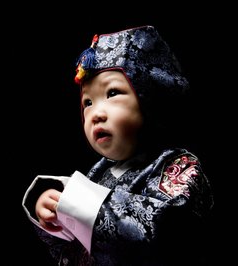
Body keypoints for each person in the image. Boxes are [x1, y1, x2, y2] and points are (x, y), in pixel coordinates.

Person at [22, 25, 214, 266]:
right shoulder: (98, 172)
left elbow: (163, 233)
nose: (95, 114)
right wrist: (54, 215)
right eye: (88, 102)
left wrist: (78, 202)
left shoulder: (178, 166)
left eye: (112, 93)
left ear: (151, 98)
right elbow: (70, 250)